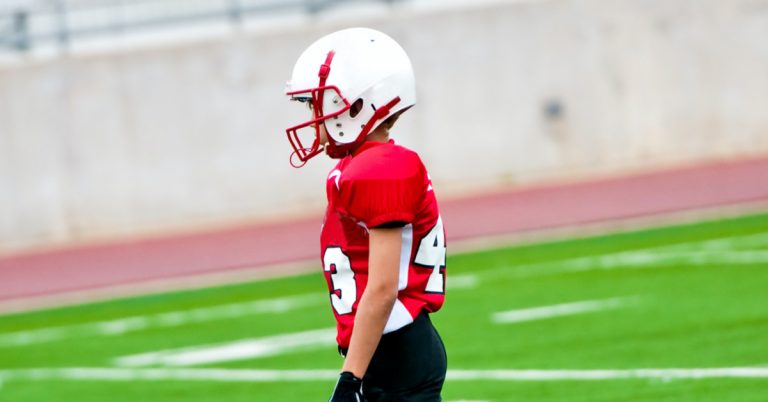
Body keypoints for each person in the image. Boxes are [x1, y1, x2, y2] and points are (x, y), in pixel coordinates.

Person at [284, 27, 448, 401]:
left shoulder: (379, 169)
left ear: (358, 105)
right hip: (389, 350)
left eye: (318, 103)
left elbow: (383, 287)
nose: (314, 114)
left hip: (397, 351)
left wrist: (349, 379)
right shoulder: (359, 166)